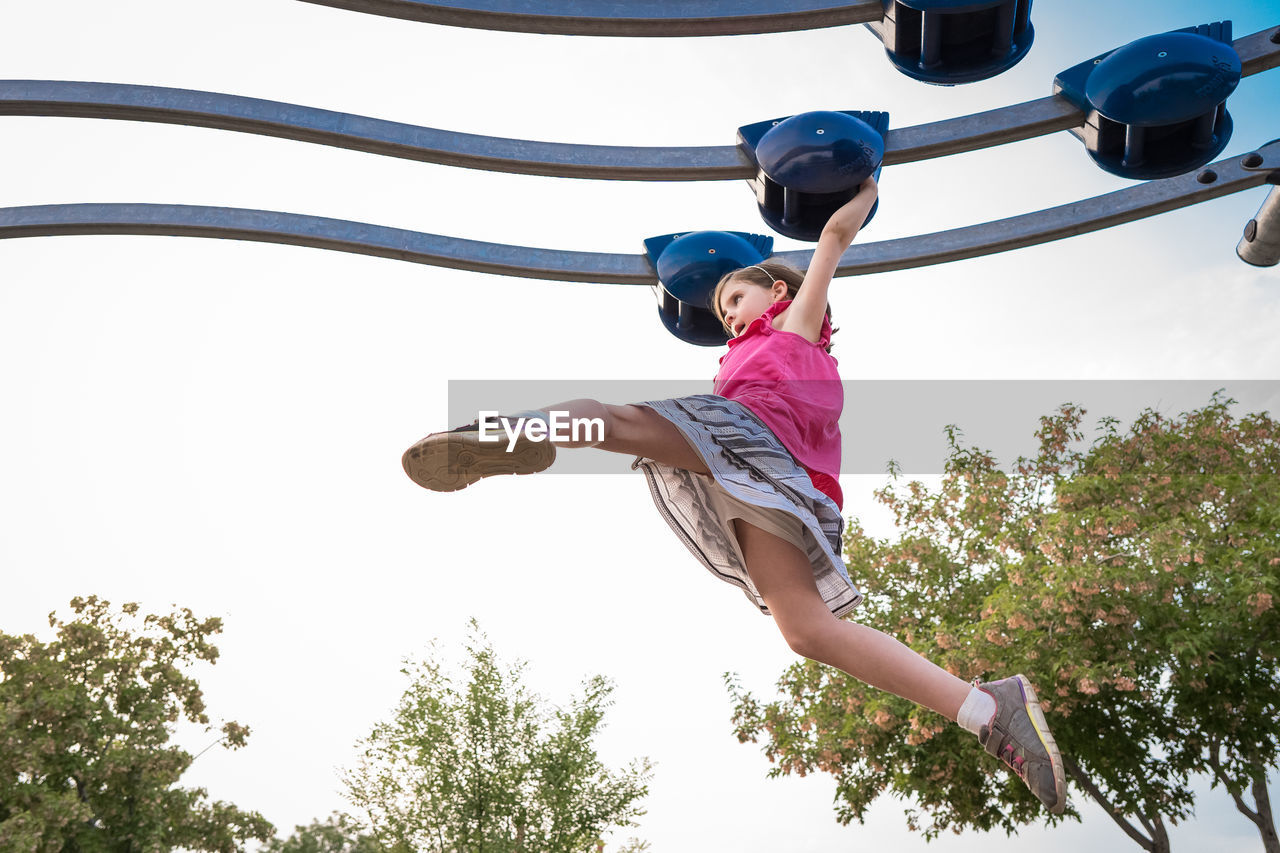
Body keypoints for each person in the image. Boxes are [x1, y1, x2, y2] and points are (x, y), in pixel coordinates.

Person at [401, 176, 1067, 815]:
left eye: (735, 301)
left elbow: (831, 241)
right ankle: (988, 709)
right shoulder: (736, 357)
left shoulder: (794, 327)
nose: (726, 316)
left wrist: (864, 191)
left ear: (775, 290)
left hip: (752, 445)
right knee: (805, 630)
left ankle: (512, 432)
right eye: (720, 311)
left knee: (614, 421)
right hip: (752, 482)